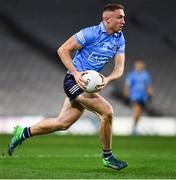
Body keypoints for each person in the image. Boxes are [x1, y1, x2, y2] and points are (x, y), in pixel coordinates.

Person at [8, 3, 128, 170]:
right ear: (107, 19)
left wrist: (108, 79)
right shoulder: (90, 33)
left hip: (86, 84)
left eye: (123, 16)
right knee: (107, 112)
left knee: (62, 123)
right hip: (73, 81)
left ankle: (23, 132)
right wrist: (76, 73)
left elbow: (119, 69)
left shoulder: (119, 38)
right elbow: (63, 50)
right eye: (119, 17)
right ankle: (108, 157)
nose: (123, 20)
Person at [123, 60, 153, 135]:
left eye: (140, 65)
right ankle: (134, 127)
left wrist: (150, 95)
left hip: (143, 96)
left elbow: (148, 86)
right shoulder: (131, 75)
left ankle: (135, 126)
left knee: (139, 112)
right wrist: (126, 95)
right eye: (137, 65)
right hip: (134, 96)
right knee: (137, 109)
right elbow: (127, 86)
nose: (139, 67)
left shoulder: (146, 75)